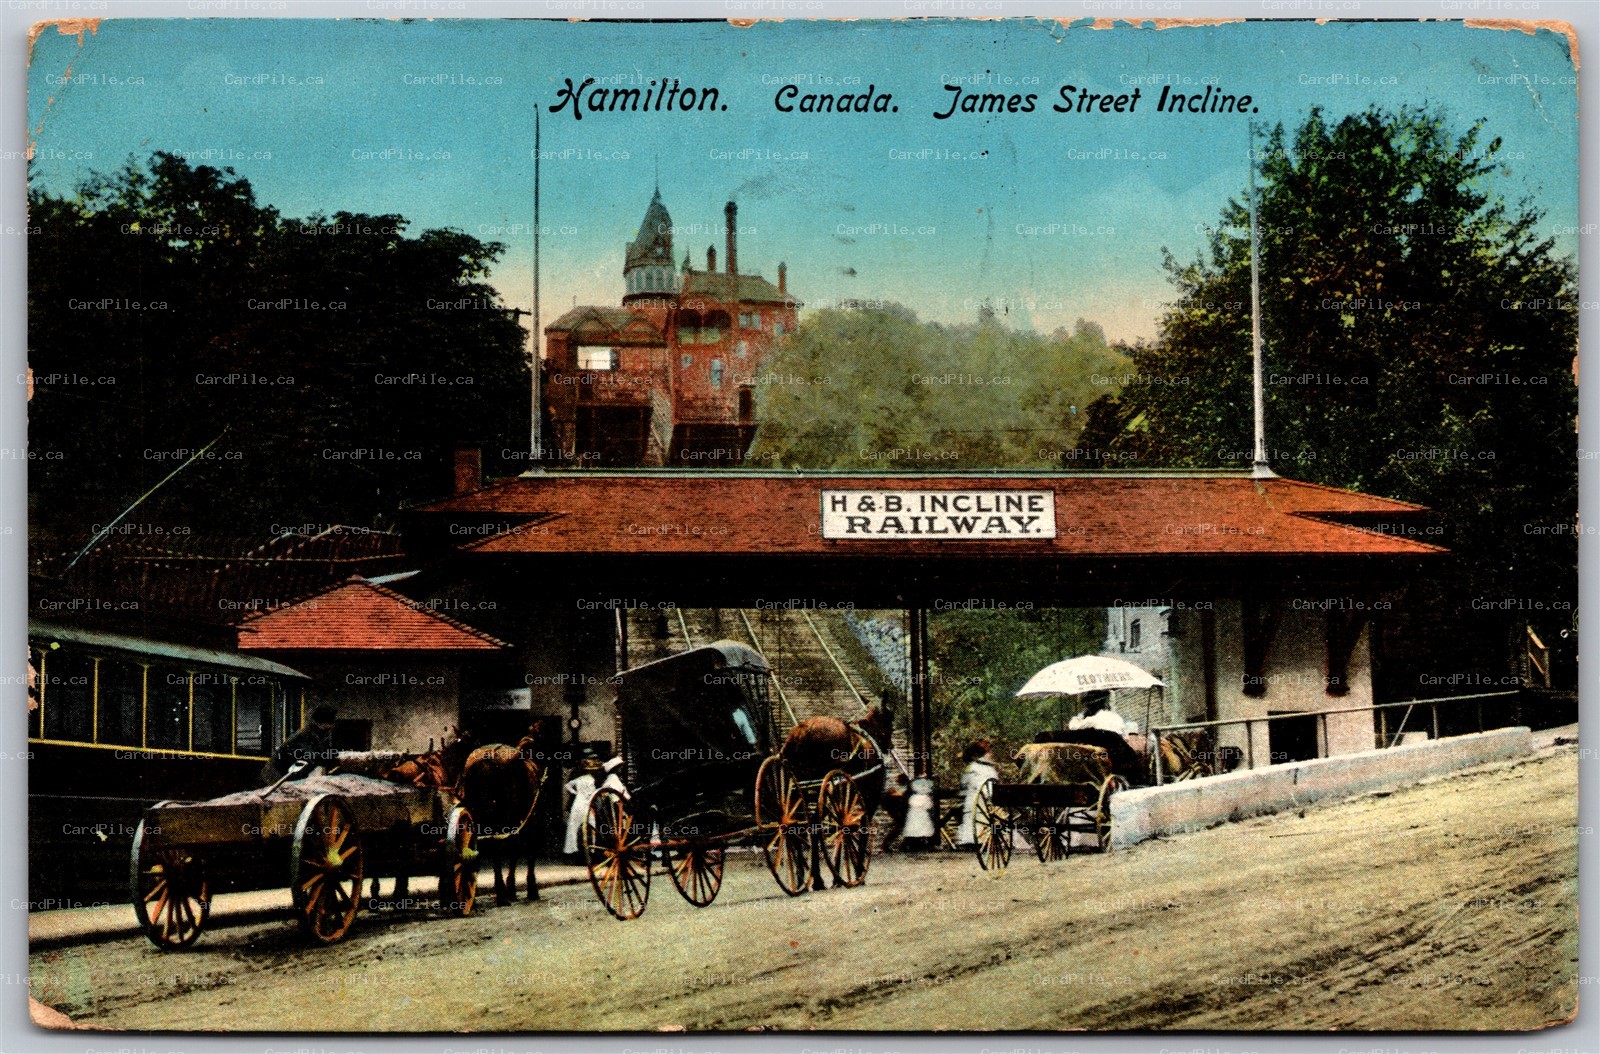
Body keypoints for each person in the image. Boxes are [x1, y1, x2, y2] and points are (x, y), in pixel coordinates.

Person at [259, 705, 338, 786]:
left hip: (290, 773)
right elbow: (312, 756)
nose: (332, 727)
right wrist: (337, 759)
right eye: (331, 723)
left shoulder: (319, 734)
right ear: (319, 723)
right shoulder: (304, 736)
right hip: (276, 775)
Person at [954, 740, 999, 847]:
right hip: (989, 797)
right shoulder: (991, 768)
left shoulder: (972, 767)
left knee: (972, 815)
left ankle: (972, 839)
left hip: (975, 797)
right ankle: (987, 837)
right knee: (987, 816)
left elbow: (964, 783)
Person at [562, 756, 602, 862]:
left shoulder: (579, 779)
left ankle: (571, 850)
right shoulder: (592, 780)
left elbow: (567, 785)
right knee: (592, 825)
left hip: (577, 804)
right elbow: (593, 794)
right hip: (586, 804)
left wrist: (575, 793)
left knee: (573, 827)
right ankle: (592, 848)